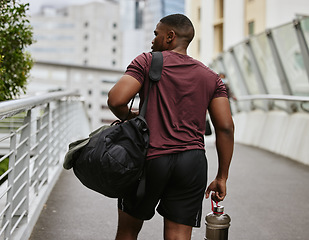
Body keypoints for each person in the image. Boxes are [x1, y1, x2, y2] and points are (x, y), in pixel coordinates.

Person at [108, 14, 234, 240]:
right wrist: (222, 176)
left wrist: (131, 116)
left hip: (149, 159)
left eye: (156, 34)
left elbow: (116, 99)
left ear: (170, 36)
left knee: (128, 232)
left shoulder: (147, 61)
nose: (153, 39)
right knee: (178, 236)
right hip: (192, 163)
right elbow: (225, 127)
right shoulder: (211, 77)